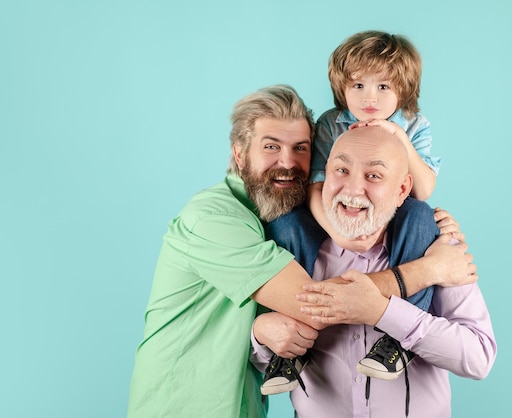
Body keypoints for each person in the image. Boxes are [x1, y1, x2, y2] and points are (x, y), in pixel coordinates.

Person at [126, 84, 476, 418]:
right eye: (271, 147)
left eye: (301, 148)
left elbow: (477, 354)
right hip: (180, 405)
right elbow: (313, 303)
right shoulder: (215, 219)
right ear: (238, 154)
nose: (288, 162)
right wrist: (429, 271)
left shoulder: (288, 222)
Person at [252, 126, 497, 418]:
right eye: (341, 170)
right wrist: (260, 336)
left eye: (374, 176)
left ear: (403, 190)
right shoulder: (290, 250)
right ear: (324, 176)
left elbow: (478, 358)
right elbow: (256, 359)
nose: (353, 189)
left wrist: (383, 312)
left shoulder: (436, 247)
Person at [263, 30, 446, 393]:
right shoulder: (332, 123)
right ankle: (295, 333)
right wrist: (337, 232)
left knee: (421, 215)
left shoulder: (414, 126)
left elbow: (422, 189)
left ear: (403, 90)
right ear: (341, 89)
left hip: (390, 214)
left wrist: (400, 140)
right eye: (358, 86)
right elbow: (317, 185)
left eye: (383, 87)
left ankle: (398, 340)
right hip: (331, 214)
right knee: (287, 221)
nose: (369, 98)